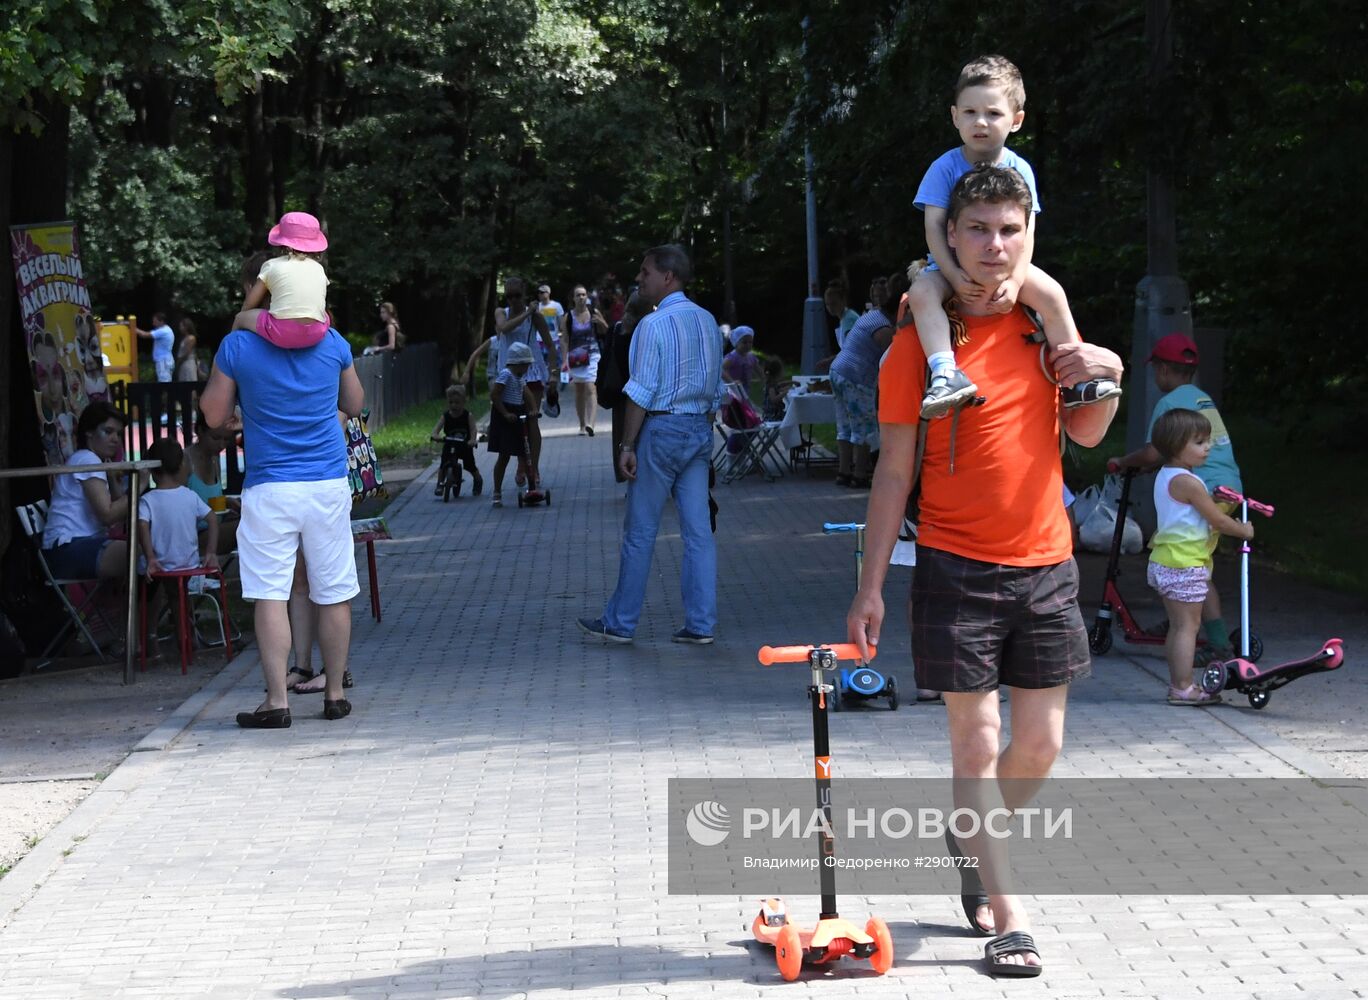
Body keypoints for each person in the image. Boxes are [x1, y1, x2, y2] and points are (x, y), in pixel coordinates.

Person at [847, 163, 1123, 977]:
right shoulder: (917, 344)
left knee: (1039, 747)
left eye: (1009, 230)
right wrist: (869, 586)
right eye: (978, 230)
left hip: (1046, 565)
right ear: (950, 237)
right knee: (979, 742)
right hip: (956, 569)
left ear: (1027, 233)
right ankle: (1011, 917)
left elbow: (1089, 436)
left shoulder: (1046, 332)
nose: (994, 247)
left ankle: (971, 834)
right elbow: (893, 474)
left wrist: (1102, 371)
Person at [908, 55, 1120, 420]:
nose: (981, 122)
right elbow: (934, 227)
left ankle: (1074, 380)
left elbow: (1029, 228)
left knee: (1052, 294)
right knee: (922, 293)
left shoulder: (1020, 168)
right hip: (949, 264)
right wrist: (954, 275)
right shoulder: (943, 167)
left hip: (1008, 264)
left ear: (1016, 120)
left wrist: (1018, 277)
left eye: (993, 113)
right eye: (971, 112)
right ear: (955, 116)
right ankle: (945, 372)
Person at [202, 255, 364, 729]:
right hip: (326, 485)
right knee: (333, 590)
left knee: (271, 593)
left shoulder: (237, 345)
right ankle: (333, 694)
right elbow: (354, 405)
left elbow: (213, 417)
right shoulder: (333, 342)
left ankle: (277, 700)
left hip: (271, 486)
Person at [578, 244, 722, 645]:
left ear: (667, 277)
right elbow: (715, 387)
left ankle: (620, 622)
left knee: (640, 531)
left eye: (645, 272)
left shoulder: (652, 326)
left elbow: (640, 392)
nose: (639, 279)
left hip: (660, 430)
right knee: (698, 533)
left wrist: (627, 445)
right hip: (697, 430)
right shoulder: (708, 321)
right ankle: (701, 624)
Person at [1109, 332, 1243, 658]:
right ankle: (1180, 621)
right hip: (1228, 485)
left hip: (1204, 491)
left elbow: (1154, 452)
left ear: (1163, 371)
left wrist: (1123, 462)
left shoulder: (1169, 404)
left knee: (1187, 566)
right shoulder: (1201, 398)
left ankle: (1215, 642)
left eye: (1156, 370)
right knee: (1186, 563)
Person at [1145, 409, 1253, 706]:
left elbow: (1195, 511)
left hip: (1168, 560)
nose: (1207, 447)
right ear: (1177, 445)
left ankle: (1177, 685)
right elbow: (1217, 521)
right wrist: (1243, 530)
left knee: (1179, 626)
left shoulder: (1169, 476)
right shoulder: (1188, 482)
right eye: (1199, 442)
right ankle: (1183, 688)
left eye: (1207, 441)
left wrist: (1215, 498)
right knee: (1187, 628)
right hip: (1183, 563)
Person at [465, 277, 562, 480]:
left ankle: (533, 468)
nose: (513, 300)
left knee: (532, 419)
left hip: (532, 371)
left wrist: (554, 374)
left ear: (524, 294)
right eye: (509, 296)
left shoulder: (535, 317)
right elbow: (503, 328)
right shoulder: (503, 313)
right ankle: (521, 463)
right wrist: (527, 312)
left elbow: (551, 345)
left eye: (517, 295)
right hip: (508, 374)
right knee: (515, 421)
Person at [137, 438, 218, 660]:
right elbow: (212, 518)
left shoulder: (148, 500)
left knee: (148, 586)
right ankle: (186, 635)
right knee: (178, 594)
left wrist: (151, 557)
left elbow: (141, 526)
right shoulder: (189, 496)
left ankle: (151, 638)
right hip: (188, 563)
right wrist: (210, 551)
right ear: (182, 465)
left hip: (161, 565)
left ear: (152, 471)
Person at [829, 273, 905, 488]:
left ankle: (844, 472)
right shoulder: (884, 327)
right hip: (856, 378)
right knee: (863, 427)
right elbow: (893, 354)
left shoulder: (870, 316)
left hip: (838, 372)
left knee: (844, 426)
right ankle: (860, 474)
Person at [41, 401, 130, 581]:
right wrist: (140, 487)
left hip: (71, 547)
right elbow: (108, 514)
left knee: (150, 550)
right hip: (67, 549)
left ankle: (138, 608)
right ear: (89, 431)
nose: (115, 439)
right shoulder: (87, 459)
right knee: (147, 553)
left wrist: (111, 476)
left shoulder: (92, 460)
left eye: (119, 434)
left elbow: (121, 509)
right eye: (108, 431)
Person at [233, 211, 331, 349]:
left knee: (239, 318)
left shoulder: (272, 265)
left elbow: (250, 303)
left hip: (282, 332)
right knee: (324, 315)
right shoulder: (319, 269)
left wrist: (245, 313)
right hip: (316, 333)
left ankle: (234, 350)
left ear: (282, 243)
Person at [602, 292, 651, 484]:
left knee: (624, 436)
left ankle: (629, 475)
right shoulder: (649, 329)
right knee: (646, 435)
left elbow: (605, 359)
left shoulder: (617, 329)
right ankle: (647, 477)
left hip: (620, 391)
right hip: (646, 392)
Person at [486, 341, 538, 507]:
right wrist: (505, 413)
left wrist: (534, 409)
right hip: (506, 416)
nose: (528, 368)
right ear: (519, 364)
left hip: (518, 413)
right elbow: (495, 395)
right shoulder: (506, 375)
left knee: (525, 450)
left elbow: (527, 393)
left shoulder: (519, 377)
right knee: (504, 455)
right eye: (527, 365)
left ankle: (530, 485)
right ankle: (497, 491)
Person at [185, 412, 242, 554]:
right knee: (251, 524)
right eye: (216, 438)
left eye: (226, 439)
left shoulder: (214, 460)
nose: (222, 444)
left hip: (213, 530)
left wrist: (226, 503)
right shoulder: (185, 460)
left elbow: (208, 501)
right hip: (193, 537)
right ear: (199, 431)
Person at [560, 284, 608, 435]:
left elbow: (607, 330)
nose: (581, 298)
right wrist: (564, 360)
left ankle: (591, 424)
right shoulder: (568, 317)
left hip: (593, 354)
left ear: (587, 297)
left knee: (590, 387)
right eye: (578, 295)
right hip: (575, 356)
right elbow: (564, 340)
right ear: (573, 299)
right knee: (579, 391)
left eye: (583, 295)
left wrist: (600, 322)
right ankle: (582, 424)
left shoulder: (594, 312)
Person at [430, 383, 482, 497]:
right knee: (443, 464)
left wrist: (472, 440)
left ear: (463, 402)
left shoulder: (468, 416)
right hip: (449, 443)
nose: (453, 405)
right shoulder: (446, 416)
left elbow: (473, 429)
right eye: (450, 402)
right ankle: (439, 484)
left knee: (470, 465)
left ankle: (478, 480)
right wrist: (435, 435)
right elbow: (436, 429)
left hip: (464, 445)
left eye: (457, 402)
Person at [131, 313, 176, 382]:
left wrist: (132, 327)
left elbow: (145, 335)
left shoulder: (163, 331)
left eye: (155, 321)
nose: (153, 323)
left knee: (164, 383)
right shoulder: (166, 329)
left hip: (163, 361)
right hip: (164, 360)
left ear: (162, 321)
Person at [721, 326, 760, 394]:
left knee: (743, 402)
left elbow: (758, 368)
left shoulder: (751, 357)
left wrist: (763, 379)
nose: (748, 345)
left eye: (750, 342)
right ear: (736, 343)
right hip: (731, 390)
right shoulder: (732, 357)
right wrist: (731, 381)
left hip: (744, 389)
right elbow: (721, 369)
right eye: (744, 342)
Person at [536, 284, 565, 367]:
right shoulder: (537, 306)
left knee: (554, 365)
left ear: (548, 293)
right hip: (539, 340)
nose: (540, 294)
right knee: (541, 366)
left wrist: (560, 337)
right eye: (539, 292)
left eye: (542, 292)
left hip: (554, 340)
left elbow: (561, 324)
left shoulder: (556, 306)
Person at [761, 357, 795, 422]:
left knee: (791, 416)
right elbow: (774, 399)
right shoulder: (771, 386)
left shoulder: (771, 383)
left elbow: (779, 385)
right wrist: (785, 392)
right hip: (773, 416)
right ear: (777, 374)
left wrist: (791, 382)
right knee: (792, 417)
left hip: (773, 414)